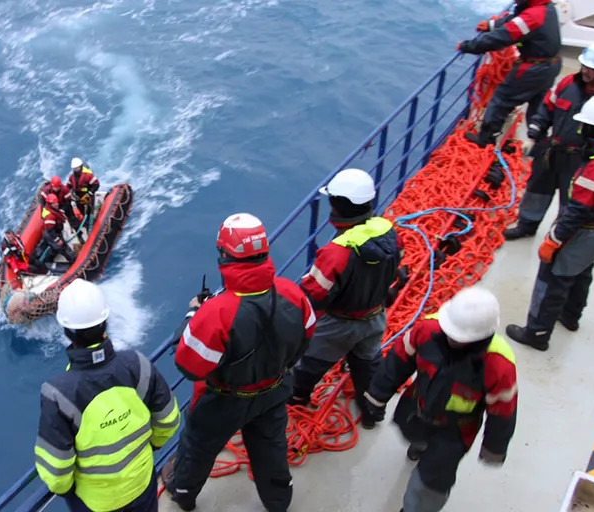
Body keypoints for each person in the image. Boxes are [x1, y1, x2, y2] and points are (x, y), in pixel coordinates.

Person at [160, 213, 316, 512]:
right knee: (271, 447)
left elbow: (189, 366)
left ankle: (184, 494)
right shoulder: (292, 293)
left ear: (223, 255)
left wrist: (193, 316)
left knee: (199, 446)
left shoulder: (216, 313)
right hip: (274, 389)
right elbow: (306, 336)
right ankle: (278, 501)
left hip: (224, 400)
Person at [506, 95, 594, 350]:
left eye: (586, 126)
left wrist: (553, 241)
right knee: (581, 272)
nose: (581, 130)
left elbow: (576, 212)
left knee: (551, 281)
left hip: (580, 232)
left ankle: (536, 333)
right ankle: (570, 317)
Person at [363, 287, 518, 512]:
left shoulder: (498, 364)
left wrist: (494, 448)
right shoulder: (426, 330)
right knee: (413, 435)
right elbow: (398, 362)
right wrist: (377, 395)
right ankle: (420, 446)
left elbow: (503, 412)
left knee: (431, 484)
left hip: (454, 432)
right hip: (417, 409)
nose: (453, 339)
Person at [34, 279, 181, 512]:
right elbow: (170, 420)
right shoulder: (138, 365)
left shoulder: (57, 393)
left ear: (66, 330)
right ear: (104, 322)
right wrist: (150, 447)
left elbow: (57, 472)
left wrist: (72, 490)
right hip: (142, 485)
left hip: (95, 502)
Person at [288, 169, 404, 431]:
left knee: (309, 362)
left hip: (339, 324)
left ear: (337, 205)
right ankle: (372, 410)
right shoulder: (388, 231)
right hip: (375, 315)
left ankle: (297, 397)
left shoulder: (336, 252)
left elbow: (314, 294)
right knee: (369, 362)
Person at [505, 38, 594, 240]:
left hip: (580, 160)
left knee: (571, 201)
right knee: (537, 190)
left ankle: (559, 236)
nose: (585, 71)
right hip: (552, 151)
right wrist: (534, 133)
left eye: (592, 68)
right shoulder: (568, 84)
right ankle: (527, 225)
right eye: (584, 65)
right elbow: (547, 107)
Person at [457, 0, 562, 148]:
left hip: (533, 69)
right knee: (537, 105)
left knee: (501, 100)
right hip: (551, 64)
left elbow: (502, 37)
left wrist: (468, 46)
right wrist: (492, 25)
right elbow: (516, 20)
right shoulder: (545, 7)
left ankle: (486, 141)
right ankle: (539, 145)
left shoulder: (532, 16)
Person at [33, 193, 77, 268]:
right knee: (63, 248)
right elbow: (51, 231)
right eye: (54, 203)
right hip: (52, 235)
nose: (56, 204)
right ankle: (73, 261)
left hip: (51, 232)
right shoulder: (50, 217)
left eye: (56, 202)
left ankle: (46, 259)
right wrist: (57, 240)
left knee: (54, 248)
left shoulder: (52, 210)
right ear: (50, 204)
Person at [68, 157, 100, 222]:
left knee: (89, 210)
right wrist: (72, 194)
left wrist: (90, 194)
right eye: (75, 168)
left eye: (77, 167)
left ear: (81, 166)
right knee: (81, 209)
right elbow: (68, 186)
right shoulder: (72, 177)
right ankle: (84, 221)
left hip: (88, 195)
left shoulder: (88, 176)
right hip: (78, 197)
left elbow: (96, 184)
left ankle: (90, 220)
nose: (76, 169)